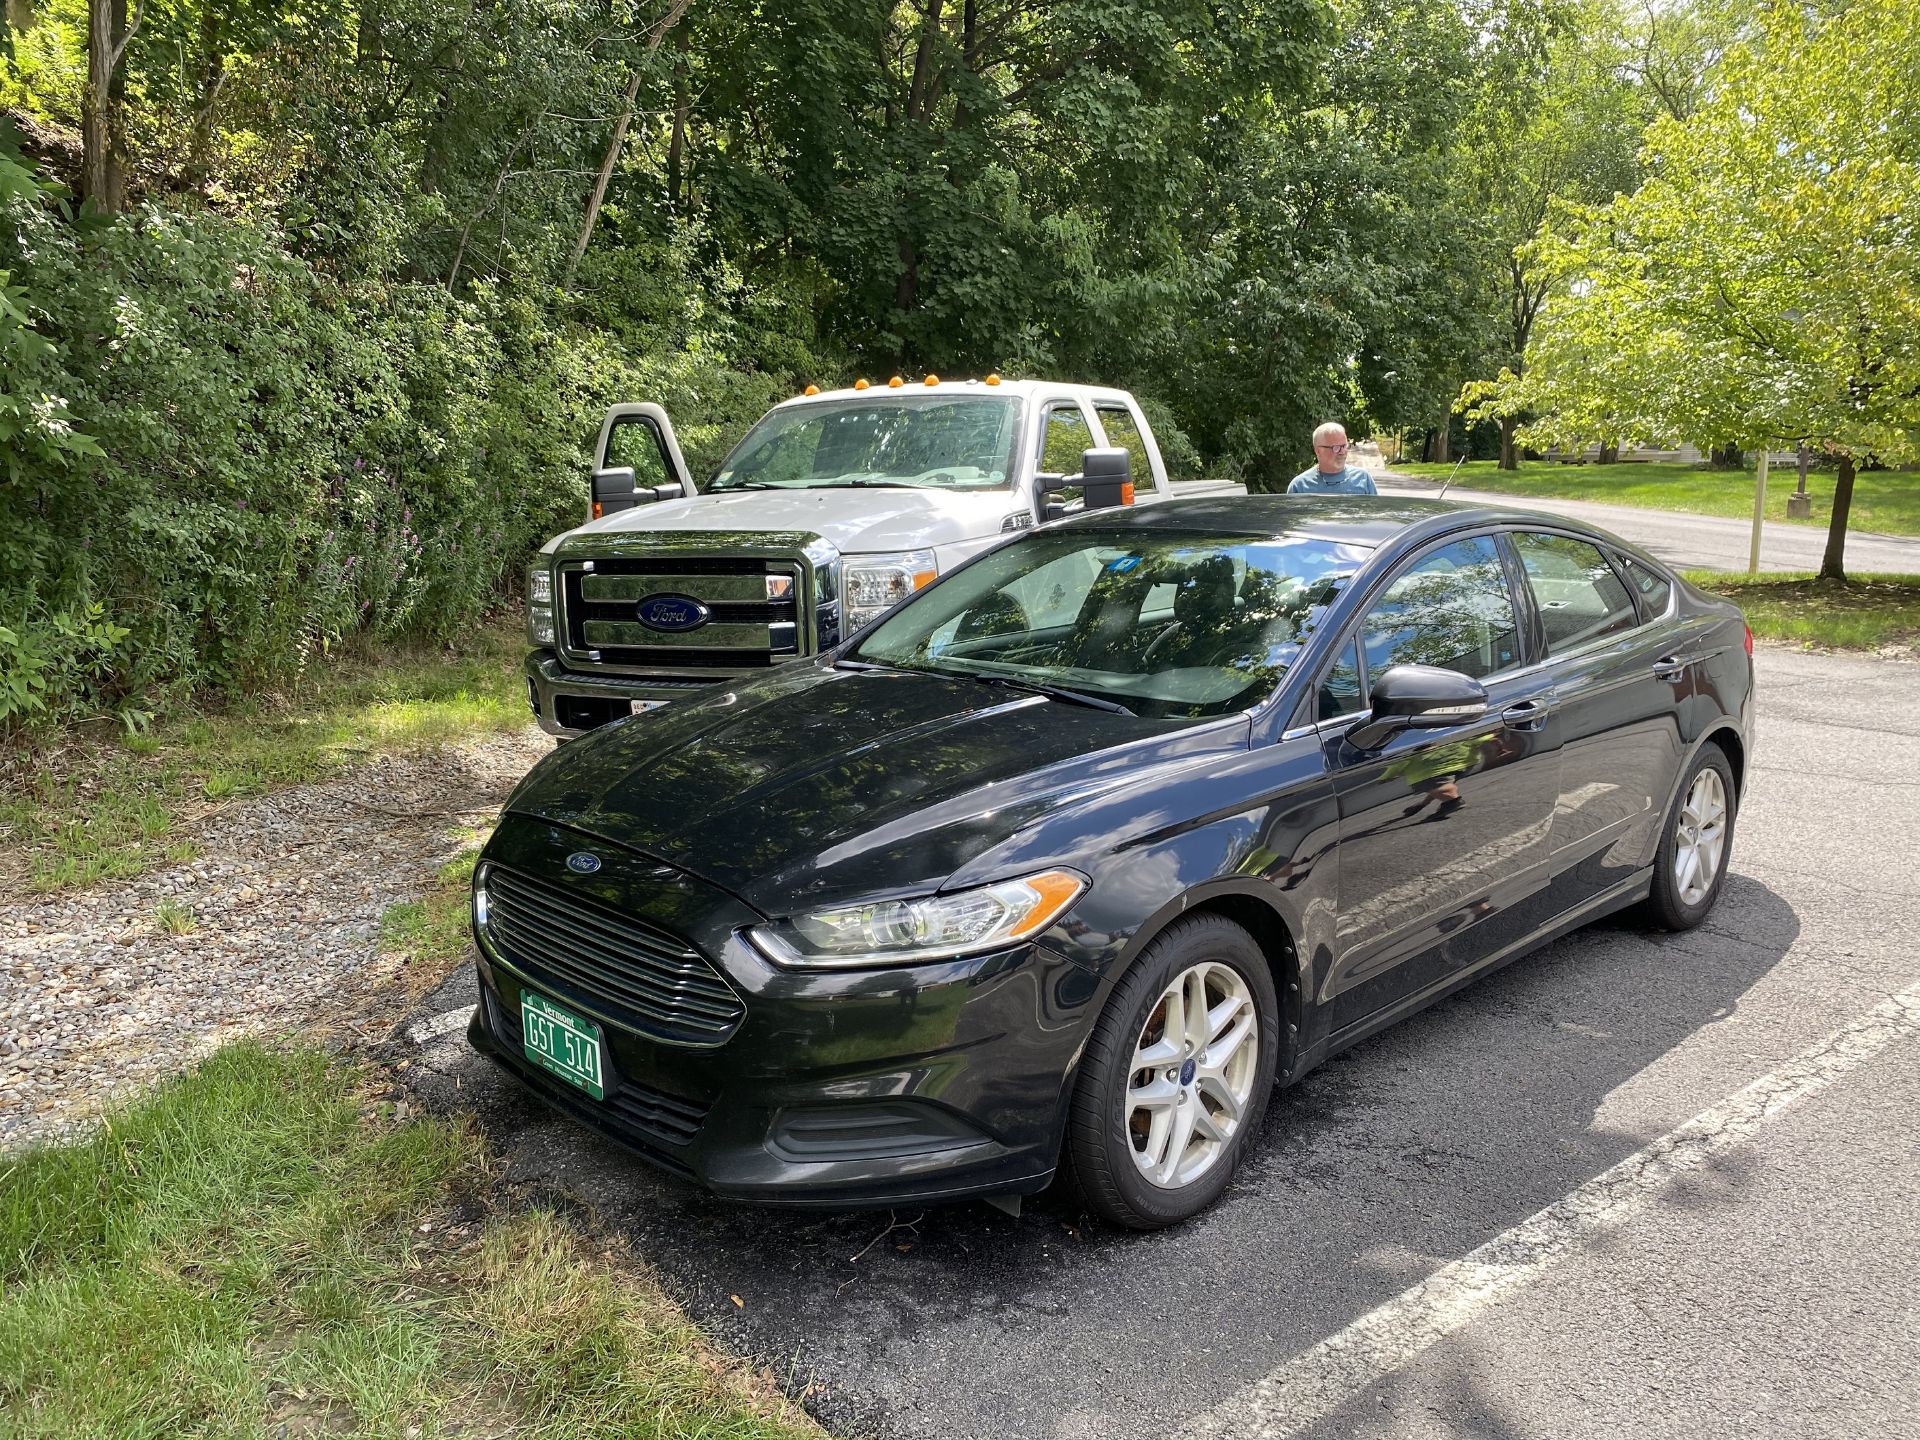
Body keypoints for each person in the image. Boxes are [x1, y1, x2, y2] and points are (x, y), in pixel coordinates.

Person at [1287, 422, 1377, 495]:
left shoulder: (1363, 479)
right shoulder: (1300, 486)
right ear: (1318, 451)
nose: (1342, 452)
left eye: (1344, 446)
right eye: (1336, 448)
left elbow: (1376, 515)